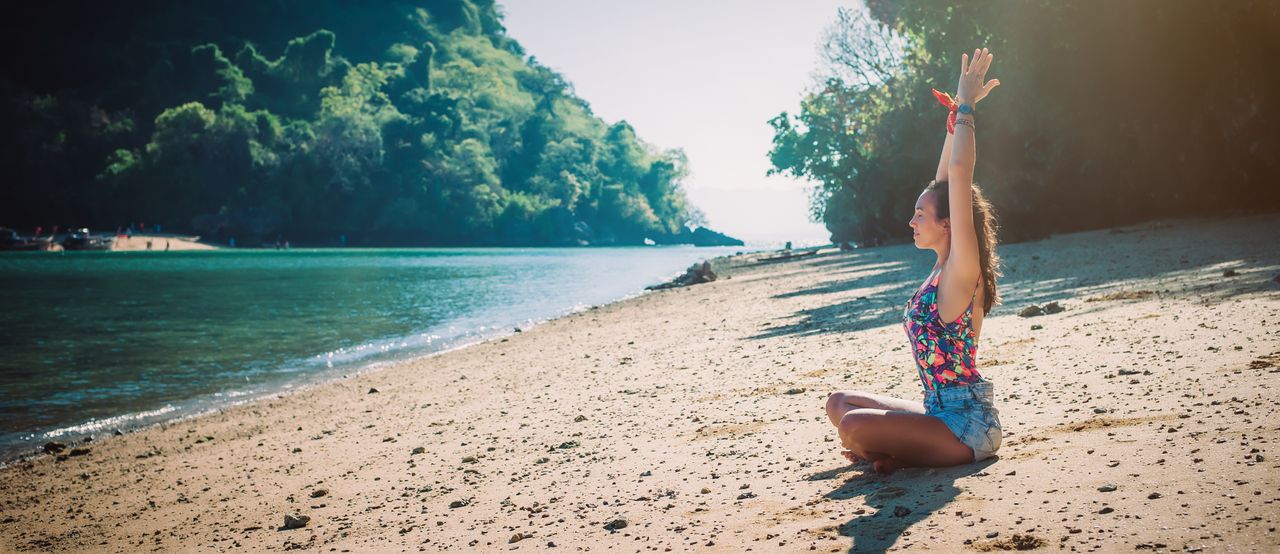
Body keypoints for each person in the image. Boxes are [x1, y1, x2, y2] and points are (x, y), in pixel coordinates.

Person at [825, 48, 1004, 474]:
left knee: (853, 425)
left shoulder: (962, 270)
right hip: (938, 410)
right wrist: (952, 123)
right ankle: (893, 451)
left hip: (967, 425)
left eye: (920, 215)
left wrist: (966, 108)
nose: (911, 221)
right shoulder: (942, 268)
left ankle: (891, 452)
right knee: (839, 404)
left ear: (948, 224)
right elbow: (944, 182)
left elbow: (959, 176)